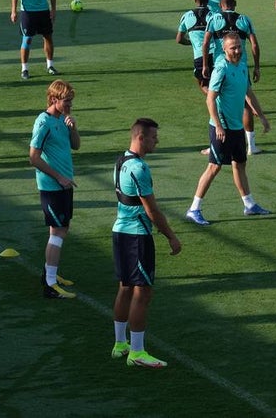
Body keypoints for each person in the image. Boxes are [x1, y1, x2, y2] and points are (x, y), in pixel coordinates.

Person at [111, 118, 183, 368]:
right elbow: (152, 210)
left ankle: (120, 344)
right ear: (140, 137)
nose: (157, 141)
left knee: (126, 287)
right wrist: (171, 236)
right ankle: (137, 352)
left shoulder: (121, 160)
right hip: (137, 237)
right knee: (143, 293)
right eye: (153, 137)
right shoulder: (139, 169)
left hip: (120, 231)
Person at [186, 33, 272, 226]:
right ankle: (194, 209)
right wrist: (218, 125)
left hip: (236, 127)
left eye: (239, 47)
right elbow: (210, 99)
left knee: (240, 164)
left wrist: (262, 117)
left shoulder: (241, 66)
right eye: (233, 48)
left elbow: (248, 93)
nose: (237, 51)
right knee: (214, 167)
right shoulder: (221, 70)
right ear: (224, 49)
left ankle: (249, 205)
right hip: (221, 128)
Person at [29, 79, 81, 299]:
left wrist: (73, 128)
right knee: (58, 231)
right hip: (52, 186)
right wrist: (59, 177)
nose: (69, 105)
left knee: (60, 230)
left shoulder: (62, 120)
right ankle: (50, 285)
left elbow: (76, 145)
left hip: (64, 184)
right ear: (53, 99)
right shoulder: (43, 122)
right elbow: (33, 157)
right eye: (66, 101)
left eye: (71, 102)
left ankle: (50, 273)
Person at [201, 0, 262, 155]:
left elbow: (206, 42)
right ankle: (251, 144)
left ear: (220, 5)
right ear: (235, 3)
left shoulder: (213, 19)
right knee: (245, 103)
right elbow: (254, 45)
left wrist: (205, 64)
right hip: (241, 66)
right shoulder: (244, 20)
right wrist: (257, 67)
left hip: (220, 67)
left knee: (216, 99)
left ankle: (215, 141)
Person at [176, 0, 213, 96]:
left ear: (195, 0)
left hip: (200, 56)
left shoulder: (187, 16)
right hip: (216, 55)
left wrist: (192, 42)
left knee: (203, 85)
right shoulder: (214, 15)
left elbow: (179, 39)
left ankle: (216, 101)